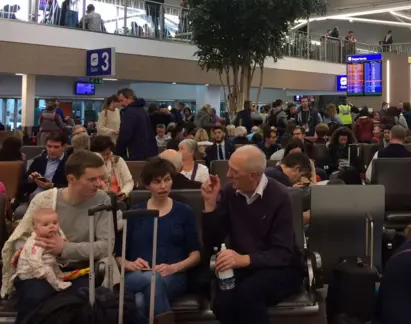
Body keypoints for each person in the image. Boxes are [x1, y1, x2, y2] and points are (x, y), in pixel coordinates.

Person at [2, 151, 113, 320]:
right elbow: (20, 238)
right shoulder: (44, 200)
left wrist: (64, 248)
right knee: (35, 297)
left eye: (100, 178)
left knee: (78, 303)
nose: (99, 184)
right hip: (39, 267)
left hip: (79, 270)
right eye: (92, 179)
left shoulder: (102, 200)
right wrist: (26, 249)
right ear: (71, 179)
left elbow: (106, 246)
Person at [201, 146, 303, 323]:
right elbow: (212, 241)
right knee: (223, 301)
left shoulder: (280, 196)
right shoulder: (230, 192)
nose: (228, 175)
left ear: (254, 175)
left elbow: (282, 253)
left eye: (234, 171)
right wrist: (210, 205)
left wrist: (243, 259)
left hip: (281, 268)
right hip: (245, 266)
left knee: (249, 295)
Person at [116, 158, 200, 323]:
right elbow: (118, 255)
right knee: (150, 280)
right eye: (157, 182)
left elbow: (195, 255)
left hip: (173, 275)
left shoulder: (184, 212)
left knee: (140, 300)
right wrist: (129, 264)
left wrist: (174, 267)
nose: (163, 186)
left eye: (167, 180)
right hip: (137, 275)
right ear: (147, 185)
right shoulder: (135, 213)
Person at [13, 208, 70, 291]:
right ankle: (58, 285)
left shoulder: (53, 234)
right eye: (46, 225)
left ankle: (60, 276)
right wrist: (41, 272)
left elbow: (60, 233)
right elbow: (34, 260)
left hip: (46, 261)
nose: (51, 226)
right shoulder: (35, 243)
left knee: (53, 264)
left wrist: (64, 240)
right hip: (30, 271)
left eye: (55, 223)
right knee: (48, 269)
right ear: (35, 228)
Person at [14, 132, 69, 220]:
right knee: (19, 212)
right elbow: (22, 186)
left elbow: (70, 188)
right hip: (34, 198)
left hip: (55, 199)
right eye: (49, 146)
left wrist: (52, 186)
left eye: (56, 147)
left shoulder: (68, 164)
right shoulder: (38, 161)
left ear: (64, 147)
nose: (51, 150)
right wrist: (30, 180)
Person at [115, 88, 158, 161]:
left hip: (136, 153)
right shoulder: (143, 110)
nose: (121, 104)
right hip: (149, 152)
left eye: (122, 100)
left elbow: (125, 135)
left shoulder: (130, 112)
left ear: (130, 98)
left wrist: (117, 152)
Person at [90, 135, 134, 200]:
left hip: (118, 199)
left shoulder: (118, 161)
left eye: (107, 154)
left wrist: (124, 193)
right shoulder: (89, 165)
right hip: (97, 200)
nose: (105, 157)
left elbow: (129, 182)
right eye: (102, 155)